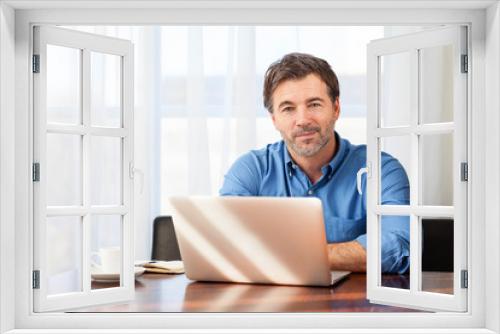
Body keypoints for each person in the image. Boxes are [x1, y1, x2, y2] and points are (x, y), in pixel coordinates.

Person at [219, 52, 409, 274]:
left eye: (315, 104)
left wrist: (293, 256)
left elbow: (398, 246)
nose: (302, 120)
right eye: (288, 109)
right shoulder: (250, 170)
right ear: (274, 119)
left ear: (336, 108)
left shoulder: (379, 169)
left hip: (354, 306)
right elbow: (224, 243)